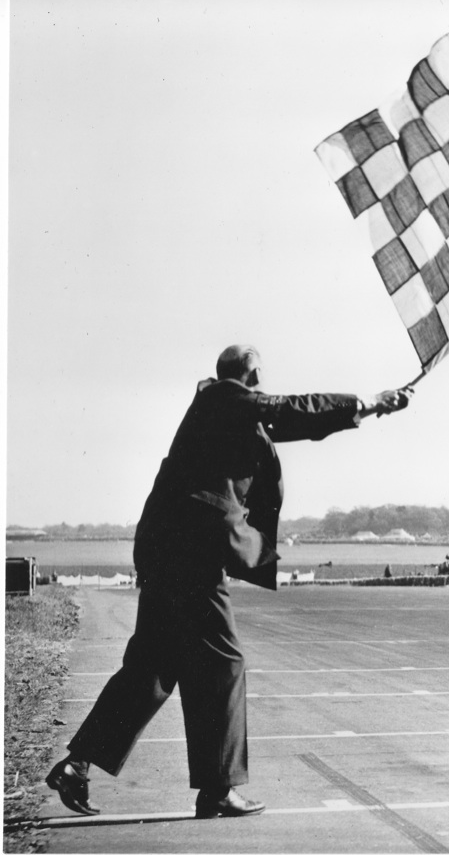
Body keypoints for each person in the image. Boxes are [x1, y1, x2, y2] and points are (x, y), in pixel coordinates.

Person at [46, 344, 411, 819]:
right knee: (224, 663)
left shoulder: (225, 411)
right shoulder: (222, 398)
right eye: (258, 376)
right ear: (249, 374)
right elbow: (289, 410)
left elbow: (296, 422)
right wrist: (365, 401)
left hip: (170, 549)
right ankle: (217, 790)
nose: (262, 386)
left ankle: (78, 765)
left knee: (153, 667)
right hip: (190, 551)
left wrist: (369, 407)